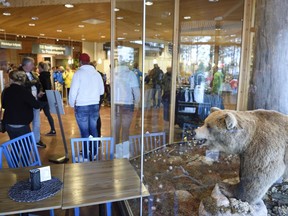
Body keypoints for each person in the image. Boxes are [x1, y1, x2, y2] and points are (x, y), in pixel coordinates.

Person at [69, 53, 104, 159]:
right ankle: (93, 153)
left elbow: (73, 91)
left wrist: (71, 104)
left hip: (82, 105)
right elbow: (102, 91)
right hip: (94, 105)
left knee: (84, 131)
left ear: (80, 62)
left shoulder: (78, 73)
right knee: (93, 129)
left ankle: (85, 154)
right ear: (89, 62)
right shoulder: (97, 74)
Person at [1, 70, 40, 139]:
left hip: (8, 122)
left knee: (15, 144)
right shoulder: (25, 91)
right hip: (22, 122)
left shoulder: (6, 91)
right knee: (26, 146)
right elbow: (36, 105)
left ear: (11, 79)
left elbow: (4, 105)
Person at [20, 57, 46, 148]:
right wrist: (34, 82)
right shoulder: (19, 74)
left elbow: (39, 84)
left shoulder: (33, 74)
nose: (34, 66)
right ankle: (25, 143)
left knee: (37, 123)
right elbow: (23, 85)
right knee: (25, 124)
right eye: (32, 64)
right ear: (26, 65)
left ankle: (36, 140)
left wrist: (39, 92)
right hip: (25, 103)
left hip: (35, 101)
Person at [114, 65, 140, 146]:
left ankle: (116, 150)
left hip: (116, 103)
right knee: (125, 130)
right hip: (128, 103)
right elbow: (136, 91)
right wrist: (137, 103)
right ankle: (124, 152)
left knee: (116, 130)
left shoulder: (114, 73)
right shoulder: (131, 74)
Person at [38, 61, 56, 136]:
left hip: (42, 98)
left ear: (41, 68)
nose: (38, 69)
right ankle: (53, 129)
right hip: (47, 98)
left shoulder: (42, 76)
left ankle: (36, 132)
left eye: (39, 67)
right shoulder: (48, 75)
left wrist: (41, 93)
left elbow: (45, 87)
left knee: (35, 114)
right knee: (48, 114)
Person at [162, 66, 172, 132]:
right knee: (166, 110)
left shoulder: (173, 76)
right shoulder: (165, 76)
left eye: (169, 69)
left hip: (171, 94)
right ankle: (166, 125)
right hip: (166, 94)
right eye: (167, 69)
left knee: (169, 110)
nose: (168, 70)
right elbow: (162, 83)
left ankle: (169, 124)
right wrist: (165, 89)